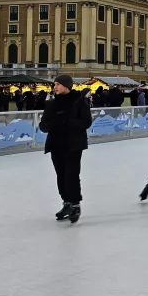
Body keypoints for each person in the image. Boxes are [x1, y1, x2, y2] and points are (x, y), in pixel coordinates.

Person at [39, 75, 92, 223]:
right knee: (61, 175)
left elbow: (86, 122)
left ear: (67, 86)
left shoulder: (79, 101)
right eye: (54, 84)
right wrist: (51, 125)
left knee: (72, 175)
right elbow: (43, 125)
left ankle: (75, 204)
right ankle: (66, 203)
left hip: (74, 145)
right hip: (56, 145)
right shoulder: (51, 104)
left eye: (58, 84)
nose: (55, 87)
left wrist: (68, 122)